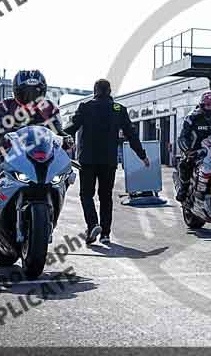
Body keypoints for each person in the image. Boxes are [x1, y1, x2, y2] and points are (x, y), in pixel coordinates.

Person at [0, 70, 72, 219]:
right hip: (9, 152)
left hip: (41, 153)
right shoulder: (5, 106)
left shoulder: (49, 107)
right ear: (16, 91)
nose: (31, 97)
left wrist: (67, 139)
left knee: (66, 172)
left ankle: (55, 200)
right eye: (26, 92)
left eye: (35, 92)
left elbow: (58, 131)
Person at [64, 79, 150, 245]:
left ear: (95, 91)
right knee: (105, 197)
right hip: (109, 161)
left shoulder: (85, 107)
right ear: (110, 91)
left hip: (87, 160)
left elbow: (71, 128)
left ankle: (93, 225)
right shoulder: (118, 109)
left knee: (86, 195)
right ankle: (105, 234)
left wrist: (55, 140)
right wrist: (142, 155)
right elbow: (131, 134)